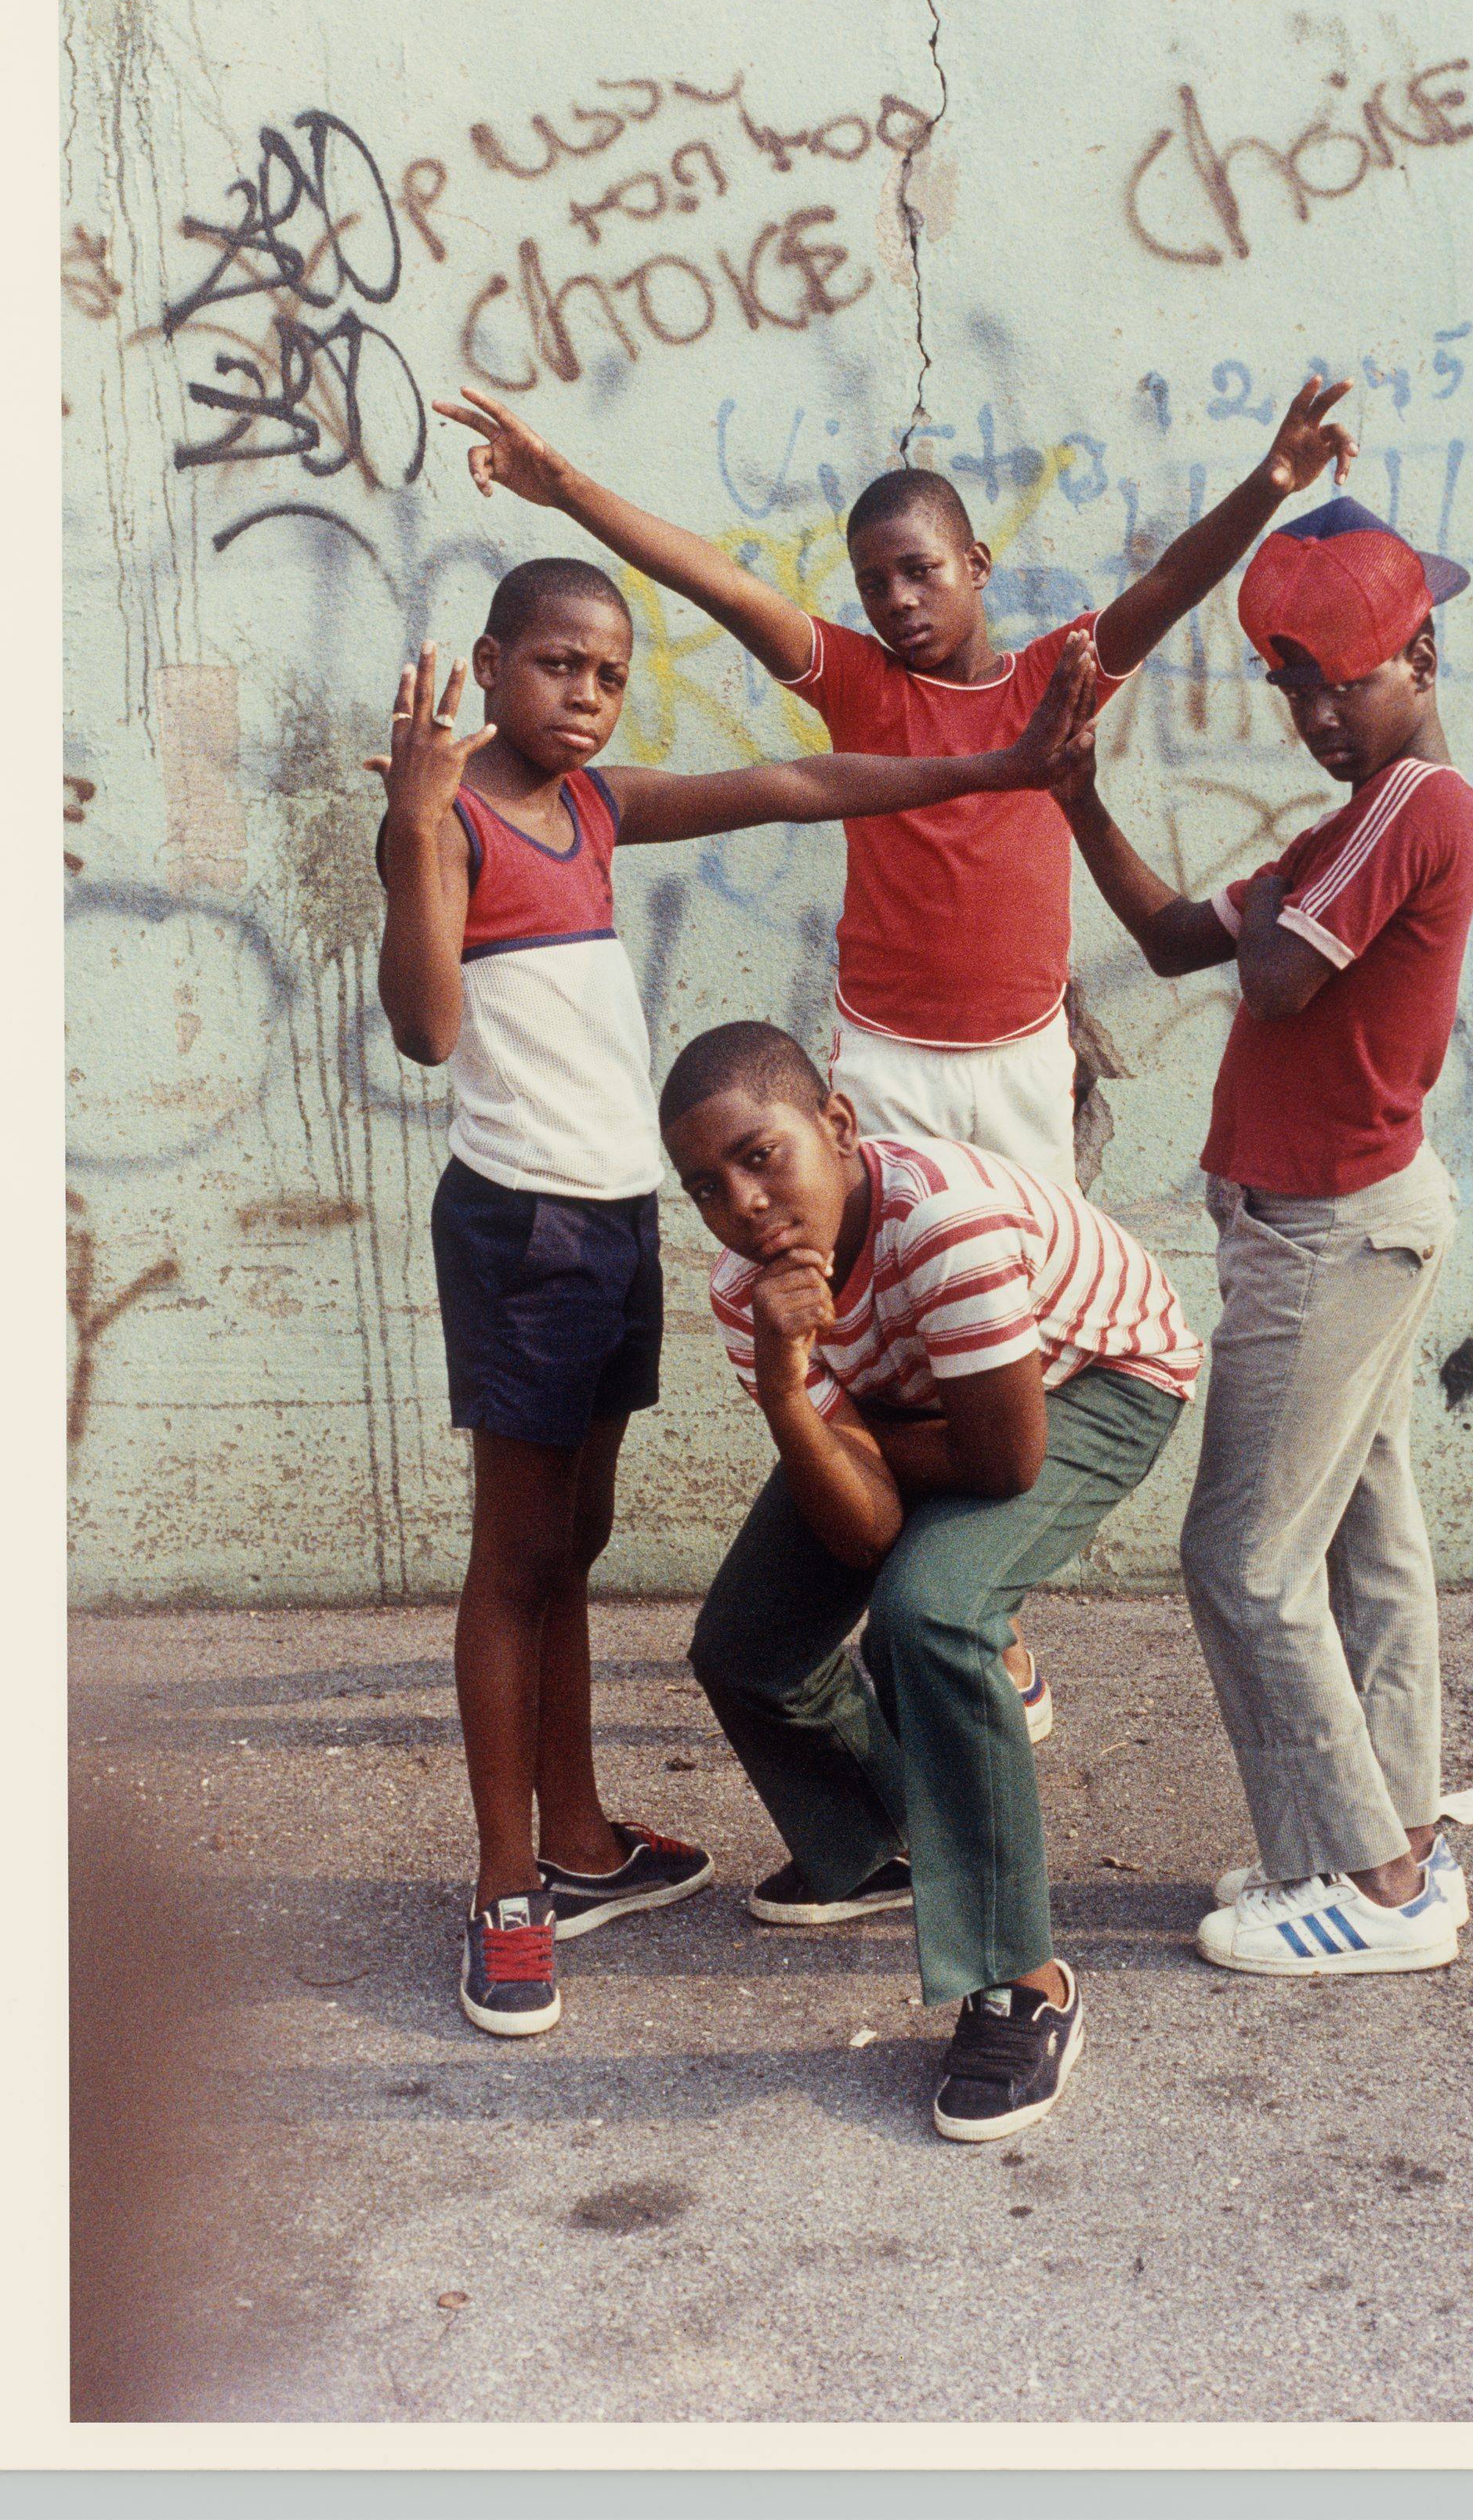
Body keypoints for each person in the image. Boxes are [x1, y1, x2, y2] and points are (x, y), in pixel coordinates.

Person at [433, 373, 1355, 1740]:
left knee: (1015, 1350)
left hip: (1021, 1063)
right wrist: (560, 486)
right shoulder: (858, 681)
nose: (899, 601)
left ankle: (986, 1610)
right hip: (883, 1068)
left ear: (977, 565)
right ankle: (885, 1586)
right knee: (873, 1337)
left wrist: (1271, 485)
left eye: (921, 571)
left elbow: (1169, 584)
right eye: (873, 582)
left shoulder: (1052, 677)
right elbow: (712, 581)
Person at [368, 561, 1095, 2039]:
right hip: (521, 1231)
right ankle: (508, 1887)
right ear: (490, 665)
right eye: (557, 664)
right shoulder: (451, 822)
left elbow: (791, 783)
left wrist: (1003, 765)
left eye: (610, 674)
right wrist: (411, 831)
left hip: (610, 1223)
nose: (587, 694)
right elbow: (427, 1028)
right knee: (514, 1561)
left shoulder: (588, 809)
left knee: (574, 1540)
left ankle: (580, 1842)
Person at [1049, 497, 1473, 1978]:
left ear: (1422, 655)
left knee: (1240, 1559)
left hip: (1329, 1239)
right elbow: (1183, 938)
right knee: (1365, 1538)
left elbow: (1281, 978)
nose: (1316, 718)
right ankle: (1396, 1842)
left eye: (1342, 684)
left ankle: (1366, 1885)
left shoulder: (1416, 806)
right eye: (1292, 688)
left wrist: (1278, 908)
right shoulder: (1352, 823)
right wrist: (1078, 800)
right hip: (1337, 1228)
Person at [657, 1021, 1200, 2141]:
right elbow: (862, 1533)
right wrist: (787, 1391)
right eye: (708, 1187)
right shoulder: (746, 1292)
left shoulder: (944, 1222)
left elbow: (1003, 1463)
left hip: (1095, 1377)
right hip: (936, 1403)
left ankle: (1023, 1982)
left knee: (933, 1613)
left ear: (837, 1126)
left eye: (761, 1157)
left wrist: (861, 1438)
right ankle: (884, 1841)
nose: (744, 1205)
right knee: (748, 1646)